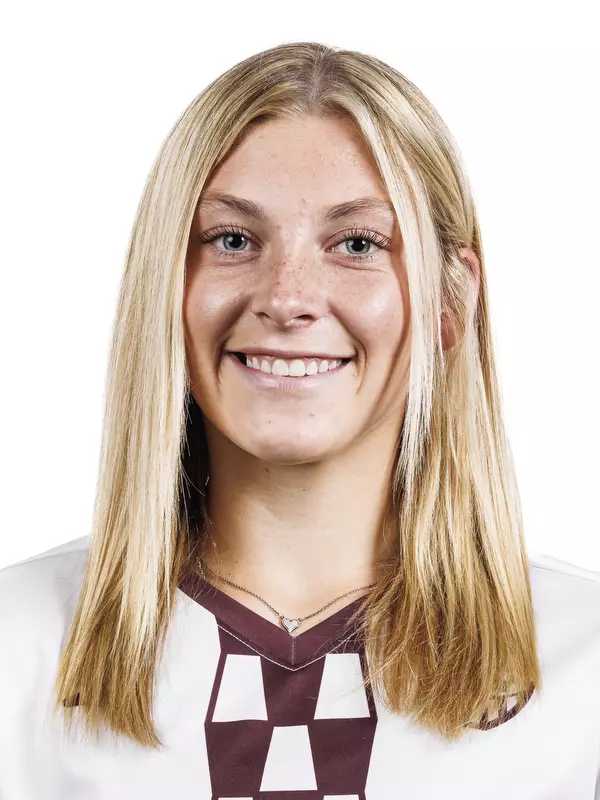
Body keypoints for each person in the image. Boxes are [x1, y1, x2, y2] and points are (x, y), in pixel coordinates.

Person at [1, 41, 599, 799]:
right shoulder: (15, 649)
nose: (287, 298)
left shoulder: (585, 674)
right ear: (165, 286)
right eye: (233, 240)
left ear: (452, 302)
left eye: (357, 243)